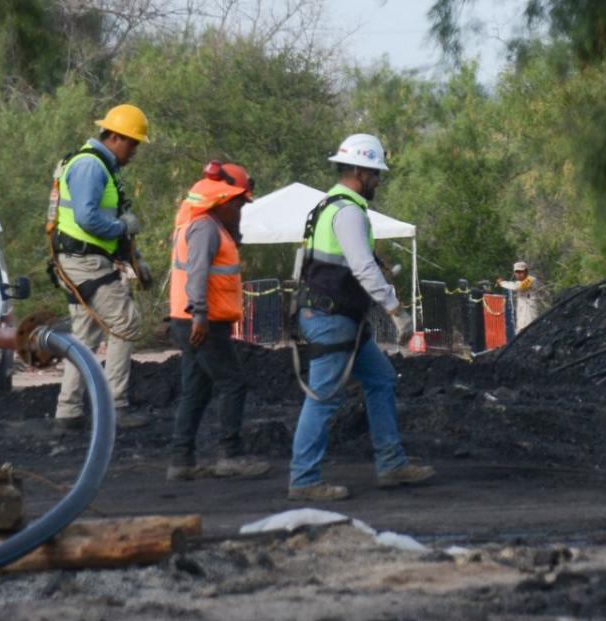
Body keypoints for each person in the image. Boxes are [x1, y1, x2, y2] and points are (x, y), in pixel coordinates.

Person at [288, 133, 435, 501]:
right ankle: (304, 480)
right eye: (374, 173)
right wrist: (395, 311)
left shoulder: (329, 207)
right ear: (358, 170)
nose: (377, 181)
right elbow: (363, 268)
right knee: (323, 397)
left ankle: (391, 463)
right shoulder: (349, 211)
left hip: (336, 315)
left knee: (381, 379)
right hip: (332, 316)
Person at [166, 161, 270, 481]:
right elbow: (196, 272)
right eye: (238, 204)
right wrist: (200, 315)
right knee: (233, 383)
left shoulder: (206, 225)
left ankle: (181, 461)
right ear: (223, 200)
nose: (240, 210)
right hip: (202, 324)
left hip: (195, 321)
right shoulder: (205, 228)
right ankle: (229, 456)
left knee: (195, 389)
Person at [52, 104, 150, 431]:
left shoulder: (100, 167)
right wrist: (122, 228)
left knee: (84, 336)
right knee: (126, 323)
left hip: (80, 260)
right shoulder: (90, 167)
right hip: (84, 261)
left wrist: (135, 257)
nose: (134, 150)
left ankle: (68, 412)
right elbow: (88, 218)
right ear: (115, 137)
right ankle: (114, 408)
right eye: (133, 143)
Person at [497, 261, 547, 333]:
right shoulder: (518, 282)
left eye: (521, 272)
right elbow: (515, 285)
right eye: (517, 272)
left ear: (526, 271)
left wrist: (502, 283)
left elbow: (518, 287)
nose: (519, 274)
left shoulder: (531, 280)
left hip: (530, 315)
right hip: (522, 317)